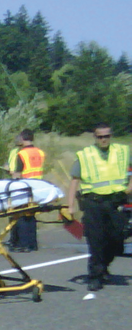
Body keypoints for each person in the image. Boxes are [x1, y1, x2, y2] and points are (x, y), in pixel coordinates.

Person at [65, 123, 132, 291]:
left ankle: (104, 265)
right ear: (95, 137)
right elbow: (74, 181)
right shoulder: (85, 155)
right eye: (100, 136)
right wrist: (70, 205)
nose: (104, 139)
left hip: (115, 202)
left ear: (111, 136)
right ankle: (95, 276)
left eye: (106, 136)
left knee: (117, 240)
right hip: (93, 203)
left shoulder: (122, 151)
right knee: (96, 241)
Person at [10, 128, 46, 252]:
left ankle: (23, 244)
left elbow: (19, 173)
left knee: (21, 216)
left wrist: (12, 175)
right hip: (37, 187)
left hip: (25, 187)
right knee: (31, 216)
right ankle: (32, 243)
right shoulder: (40, 152)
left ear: (22, 138)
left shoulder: (22, 154)